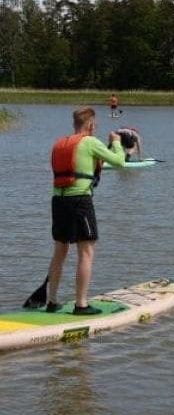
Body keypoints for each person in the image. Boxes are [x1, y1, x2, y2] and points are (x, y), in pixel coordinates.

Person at [47, 107, 125, 315]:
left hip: (58, 201)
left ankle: (52, 301)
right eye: (95, 125)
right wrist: (116, 141)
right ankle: (81, 304)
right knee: (86, 252)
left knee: (60, 252)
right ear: (90, 125)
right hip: (80, 201)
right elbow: (119, 162)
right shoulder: (90, 141)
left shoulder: (59, 143)